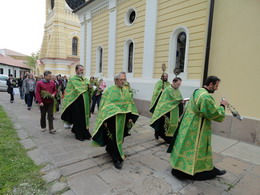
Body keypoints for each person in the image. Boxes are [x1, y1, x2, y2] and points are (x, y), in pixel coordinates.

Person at [167, 76, 229, 181]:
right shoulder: (205, 97)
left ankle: (180, 168)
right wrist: (222, 106)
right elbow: (212, 113)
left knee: (185, 147)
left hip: (188, 124)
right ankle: (201, 170)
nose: (217, 88)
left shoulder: (197, 91)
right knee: (197, 149)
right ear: (210, 84)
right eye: (216, 86)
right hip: (197, 128)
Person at [92, 73, 139, 169]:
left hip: (123, 119)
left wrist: (130, 116)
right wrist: (105, 119)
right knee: (112, 138)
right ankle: (116, 158)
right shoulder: (109, 90)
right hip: (112, 119)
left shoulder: (125, 90)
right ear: (116, 80)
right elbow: (104, 106)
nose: (123, 81)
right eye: (121, 79)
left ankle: (110, 150)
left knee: (119, 138)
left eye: (124, 79)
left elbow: (129, 104)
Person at [61, 65, 93, 141]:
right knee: (78, 118)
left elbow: (88, 88)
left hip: (85, 102)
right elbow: (80, 89)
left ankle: (84, 133)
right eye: (80, 70)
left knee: (84, 117)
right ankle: (79, 135)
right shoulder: (72, 79)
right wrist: (87, 87)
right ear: (76, 71)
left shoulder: (85, 79)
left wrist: (91, 88)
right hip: (76, 101)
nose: (82, 71)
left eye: (83, 70)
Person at [150, 77, 185, 143]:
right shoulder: (167, 90)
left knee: (174, 124)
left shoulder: (177, 90)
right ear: (173, 82)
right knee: (164, 124)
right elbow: (165, 101)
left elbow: (179, 98)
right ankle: (165, 137)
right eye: (178, 84)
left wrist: (182, 101)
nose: (178, 86)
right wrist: (178, 101)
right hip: (166, 110)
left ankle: (171, 136)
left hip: (174, 110)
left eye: (179, 84)